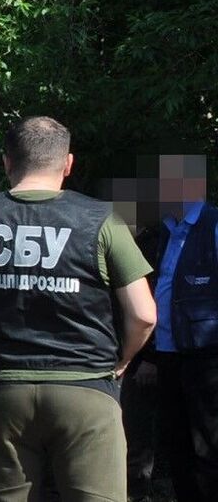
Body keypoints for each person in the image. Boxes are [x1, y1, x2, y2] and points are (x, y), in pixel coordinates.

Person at [0, 116, 157, 502]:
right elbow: (144, 313)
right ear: (67, 164)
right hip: (87, 390)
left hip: (5, 389)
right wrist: (123, 360)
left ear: (7, 162)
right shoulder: (101, 219)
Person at [146, 153, 218, 500]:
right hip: (168, 357)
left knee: (207, 449)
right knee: (176, 445)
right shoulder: (165, 230)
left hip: (207, 359)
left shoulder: (214, 226)